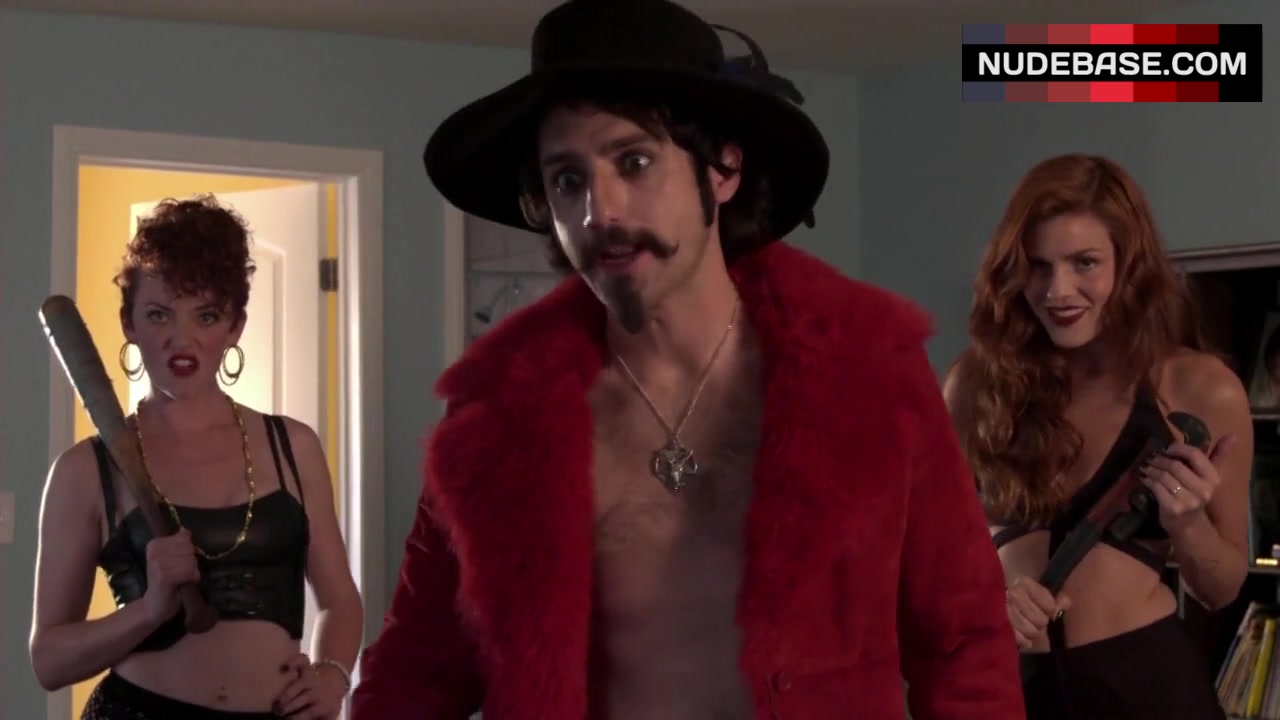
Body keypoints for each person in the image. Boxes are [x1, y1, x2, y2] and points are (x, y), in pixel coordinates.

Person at [351, 0, 1024, 718]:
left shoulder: (867, 371)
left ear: (723, 169)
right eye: (568, 180)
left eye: (634, 162)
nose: (600, 212)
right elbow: (415, 670)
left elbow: (963, 641)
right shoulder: (496, 419)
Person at [30, 195, 364, 719]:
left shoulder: (293, 447)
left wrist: (334, 674)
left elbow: (340, 601)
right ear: (129, 323)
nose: (180, 339)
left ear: (234, 326)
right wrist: (149, 611)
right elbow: (49, 661)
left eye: (205, 315)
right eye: (159, 314)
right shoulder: (85, 471)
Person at [943, 154, 1252, 719]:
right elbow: (929, 555)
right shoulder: (975, 384)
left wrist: (1188, 524)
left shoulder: (1199, 388)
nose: (1057, 291)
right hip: (1012, 689)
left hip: (1145, 689)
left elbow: (1221, 590)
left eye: (1084, 262)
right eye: (1038, 266)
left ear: (1129, 264)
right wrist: (986, 598)